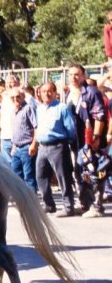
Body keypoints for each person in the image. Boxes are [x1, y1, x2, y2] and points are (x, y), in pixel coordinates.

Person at [66, 63, 107, 216]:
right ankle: (85, 204)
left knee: (94, 172)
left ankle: (97, 207)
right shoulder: (70, 94)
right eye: (70, 75)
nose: (73, 77)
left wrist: (96, 138)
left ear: (83, 75)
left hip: (90, 140)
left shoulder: (91, 92)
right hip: (75, 141)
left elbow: (100, 116)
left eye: (77, 74)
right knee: (80, 172)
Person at [34, 82, 78, 216]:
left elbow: (70, 128)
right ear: (40, 94)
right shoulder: (39, 109)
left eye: (49, 91)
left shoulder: (62, 108)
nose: (47, 94)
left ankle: (68, 207)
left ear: (55, 93)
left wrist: (66, 143)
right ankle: (49, 205)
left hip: (58, 146)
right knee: (40, 176)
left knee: (63, 177)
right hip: (42, 146)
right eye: (44, 91)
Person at [8, 88, 38, 192]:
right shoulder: (13, 111)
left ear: (23, 97)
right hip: (16, 149)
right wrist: (13, 147)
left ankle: (32, 203)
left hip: (27, 147)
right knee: (16, 177)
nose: (15, 99)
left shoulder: (28, 108)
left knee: (29, 177)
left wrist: (34, 144)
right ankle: (21, 202)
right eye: (12, 97)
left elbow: (36, 127)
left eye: (18, 96)